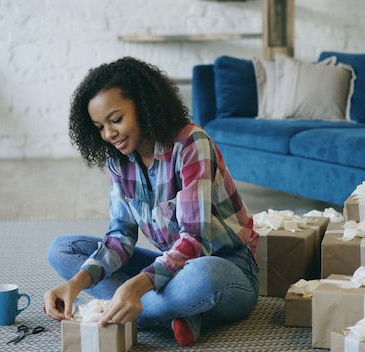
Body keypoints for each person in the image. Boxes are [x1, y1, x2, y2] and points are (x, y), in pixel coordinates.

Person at [43, 56, 259, 347]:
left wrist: (135, 286)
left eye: (116, 120)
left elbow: (195, 241)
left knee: (203, 275)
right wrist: (77, 283)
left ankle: (127, 310)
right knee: (62, 250)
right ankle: (173, 312)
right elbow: (120, 237)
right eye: (99, 127)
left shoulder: (190, 143)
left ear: (144, 105)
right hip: (170, 268)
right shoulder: (119, 162)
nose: (108, 135)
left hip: (228, 268)